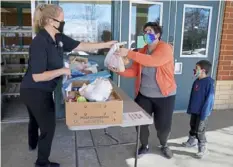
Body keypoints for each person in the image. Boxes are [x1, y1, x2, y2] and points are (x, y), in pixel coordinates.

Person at [20, 4, 116, 167]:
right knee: (48, 127)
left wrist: (106, 45)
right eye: (62, 20)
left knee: (37, 120)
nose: (64, 22)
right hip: (34, 90)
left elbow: (82, 46)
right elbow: (37, 76)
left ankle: (32, 144)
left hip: (41, 90)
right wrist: (64, 70)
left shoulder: (58, 38)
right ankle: (41, 163)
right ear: (50, 21)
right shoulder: (39, 42)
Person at [109, 22, 177, 159]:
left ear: (158, 34)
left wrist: (128, 53)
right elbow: (135, 70)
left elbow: (152, 61)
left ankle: (164, 144)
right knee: (140, 123)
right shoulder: (142, 50)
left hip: (165, 96)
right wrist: (120, 71)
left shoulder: (166, 48)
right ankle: (144, 145)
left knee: (163, 126)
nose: (146, 34)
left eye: (149, 31)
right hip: (144, 95)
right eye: (145, 32)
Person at [182, 60, 214, 159]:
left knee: (200, 130)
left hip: (203, 112)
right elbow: (193, 96)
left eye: (197, 68)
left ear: (203, 70)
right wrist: (190, 109)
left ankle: (202, 148)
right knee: (192, 126)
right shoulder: (196, 81)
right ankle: (192, 141)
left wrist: (205, 113)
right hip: (195, 111)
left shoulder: (208, 83)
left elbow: (209, 99)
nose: (194, 70)